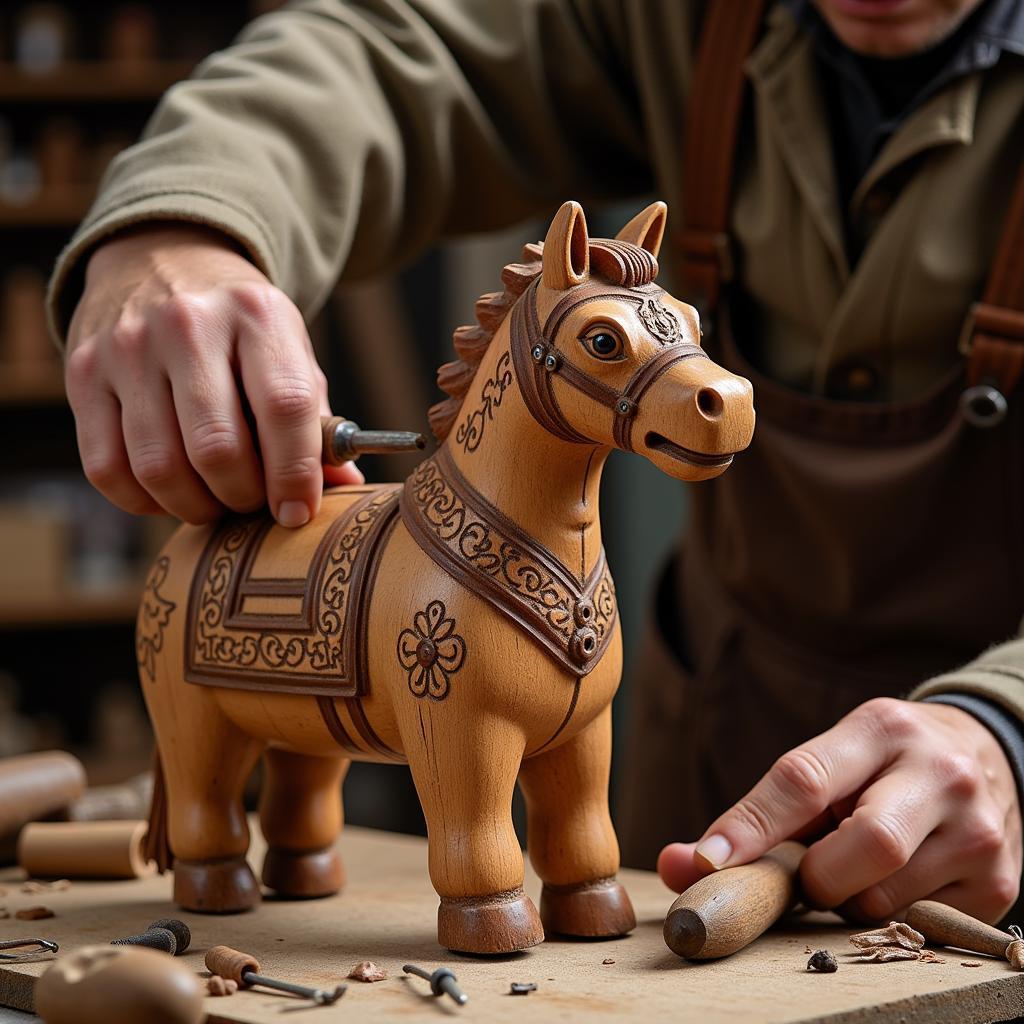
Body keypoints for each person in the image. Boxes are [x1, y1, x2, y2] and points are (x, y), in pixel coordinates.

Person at [48, 0, 1024, 923]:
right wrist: (183, 221)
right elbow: (389, 58)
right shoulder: (670, 20)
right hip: (716, 751)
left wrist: (1006, 725)